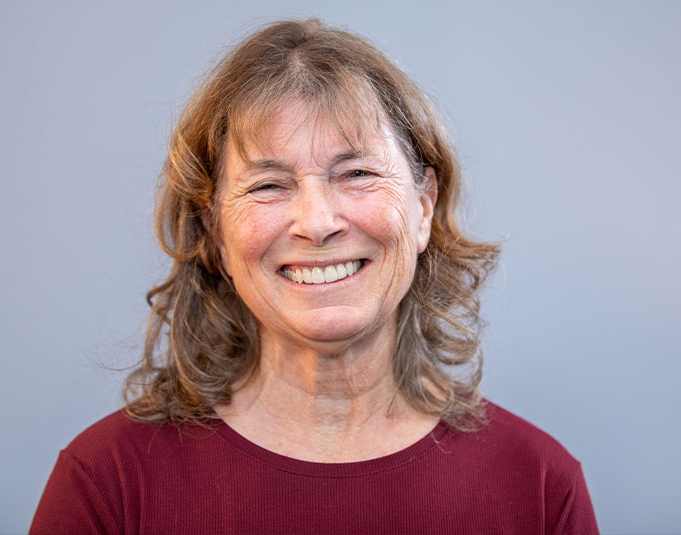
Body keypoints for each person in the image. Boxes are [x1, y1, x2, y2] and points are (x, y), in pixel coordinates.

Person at [31, 18, 598, 534]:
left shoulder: (540, 487)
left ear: (424, 207)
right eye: (268, 185)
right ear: (216, 232)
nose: (318, 223)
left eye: (356, 173)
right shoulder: (105, 484)